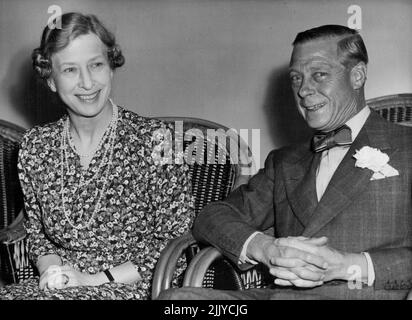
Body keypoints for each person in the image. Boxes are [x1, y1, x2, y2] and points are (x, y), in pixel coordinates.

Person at [158, 25, 412, 300]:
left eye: (319, 74)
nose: (303, 90)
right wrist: (265, 248)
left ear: (357, 76)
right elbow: (212, 217)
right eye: (296, 78)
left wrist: (346, 266)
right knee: (179, 303)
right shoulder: (285, 161)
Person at [0, 12, 194, 300]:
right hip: (62, 288)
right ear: (51, 79)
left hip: (134, 287)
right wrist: (52, 273)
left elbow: (175, 247)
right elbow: (38, 236)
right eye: (70, 70)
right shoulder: (35, 146)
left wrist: (92, 280)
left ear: (111, 67)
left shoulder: (157, 140)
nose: (87, 82)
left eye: (96, 65)